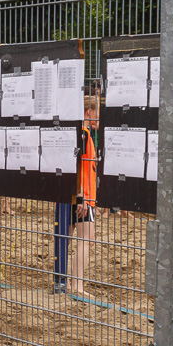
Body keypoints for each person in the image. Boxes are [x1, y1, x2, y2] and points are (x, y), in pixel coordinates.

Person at [66, 97, 100, 297]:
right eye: (97, 114)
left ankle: (67, 282)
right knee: (87, 239)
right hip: (82, 197)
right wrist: (81, 195)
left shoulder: (80, 133)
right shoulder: (83, 134)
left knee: (69, 238)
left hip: (77, 195)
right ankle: (77, 285)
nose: (99, 119)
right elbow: (76, 166)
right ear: (89, 112)